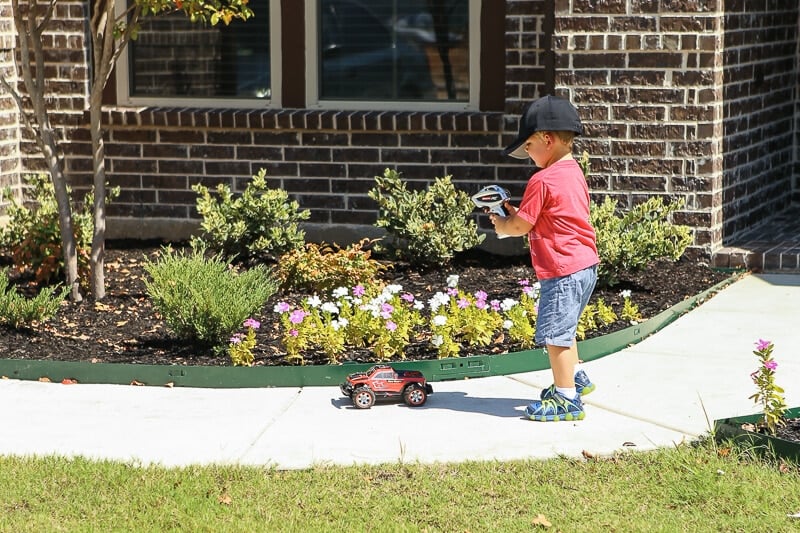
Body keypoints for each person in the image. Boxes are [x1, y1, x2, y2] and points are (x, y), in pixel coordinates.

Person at [490, 95, 600, 422]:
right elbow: (548, 215)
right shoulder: (573, 172)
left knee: (556, 334)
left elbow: (522, 225)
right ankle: (576, 379)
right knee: (567, 328)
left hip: (561, 269)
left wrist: (503, 225)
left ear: (546, 140)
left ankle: (567, 399)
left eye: (528, 147)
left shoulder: (542, 179)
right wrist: (519, 215)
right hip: (585, 265)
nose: (527, 155)